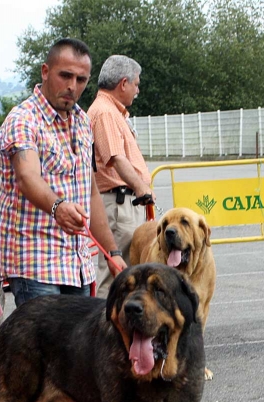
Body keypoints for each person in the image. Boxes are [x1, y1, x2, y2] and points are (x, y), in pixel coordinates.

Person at [0, 38, 126, 402]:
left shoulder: (81, 123)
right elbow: (30, 177)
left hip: (75, 259)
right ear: (46, 70)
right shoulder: (23, 119)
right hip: (35, 258)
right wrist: (55, 207)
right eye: (65, 76)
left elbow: (88, 189)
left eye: (80, 80)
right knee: (48, 368)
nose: (72, 86)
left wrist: (110, 251)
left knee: (78, 365)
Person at [88, 55, 156, 298]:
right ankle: (106, 332)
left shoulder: (112, 112)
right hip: (119, 205)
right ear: (123, 83)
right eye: (136, 84)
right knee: (116, 274)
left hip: (124, 204)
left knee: (127, 274)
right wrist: (142, 188)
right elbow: (116, 158)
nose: (137, 90)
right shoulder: (105, 112)